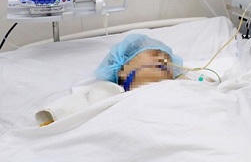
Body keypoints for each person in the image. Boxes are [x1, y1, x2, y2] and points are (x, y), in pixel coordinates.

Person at [36, 35, 183, 126]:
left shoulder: (182, 86)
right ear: (122, 69)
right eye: (154, 54)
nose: (163, 60)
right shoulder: (106, 93)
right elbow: (73, 106)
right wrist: (51, 116)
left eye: (168, 59)